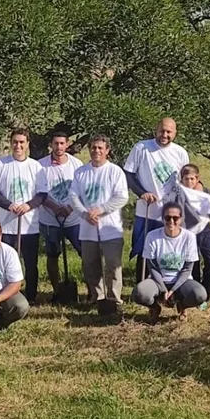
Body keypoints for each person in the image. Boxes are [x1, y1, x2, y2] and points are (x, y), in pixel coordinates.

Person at [124, 118, 190, 280]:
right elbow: (129, 174)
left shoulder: (180, 153)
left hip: (170, 213)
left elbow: (186, 180)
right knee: (143, 250)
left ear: (175, 133)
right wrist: (142, 193)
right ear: (156, 129)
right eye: (162, 130)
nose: (164, 135)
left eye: (169, 132)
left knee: (167, 249)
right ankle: (141, 286)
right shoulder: (142, 148)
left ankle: (165, 286)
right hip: (146, 210)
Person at [71, 134, 129, 316]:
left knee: (113, 265)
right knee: (90, 265)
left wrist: (101, 210)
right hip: (87, 228)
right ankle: (98, 299)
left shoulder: (114, 171)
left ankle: (115, 300)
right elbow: (73, 196)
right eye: (93, 147)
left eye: (100, 148)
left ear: (107, 151)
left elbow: (122, 197)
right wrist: (85, 213)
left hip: (110, 228)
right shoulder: (81, 172)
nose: (96, 151)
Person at [0, 128, 44, 302]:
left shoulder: (36, 167)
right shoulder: (1, 164)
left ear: (27, 144)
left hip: (29, 224)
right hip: (5, 224)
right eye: (15, 142)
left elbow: (42, 194)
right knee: (5, 261)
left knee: (30, 263)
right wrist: (9, 205)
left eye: (21, 142)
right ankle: (4, 295)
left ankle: (31, 296)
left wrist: (28, 205)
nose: (18, 145)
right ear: (11, 143)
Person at [132, 203, 207, 323]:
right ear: (162, 219)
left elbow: (187, 269)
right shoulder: (152, 236)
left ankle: (182, 306)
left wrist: (173, 290)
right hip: (157, 280)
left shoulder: (190, 237)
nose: (171, 221)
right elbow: (152, 267)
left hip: (182, 281)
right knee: (139, 293)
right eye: (167, 218)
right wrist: (163, 289)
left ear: (181, 219)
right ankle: (154, 308)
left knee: (200, 295)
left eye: (175, 218)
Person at [161, 164, 210, 304]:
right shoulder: (178, 194)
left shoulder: (204, 192)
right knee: (192, 262)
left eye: (192, 179)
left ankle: (207, 291)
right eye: (186, 179)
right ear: (181, 180)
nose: (189, 182)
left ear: (197, 179)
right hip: (187, 232)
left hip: (204, 229)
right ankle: (195, 294)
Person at [35, 132, 83, 301]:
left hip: (74, 218)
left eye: (62, 143)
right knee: (52, 254)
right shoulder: (40, 166)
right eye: (56, 143)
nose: (59, 147)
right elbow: (39, 192)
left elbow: (82, 190)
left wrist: (70, 207)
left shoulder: (77, 165)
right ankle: (56, 291)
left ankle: (92, 290)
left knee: (83, 251)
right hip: (50, 218)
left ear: (67, 144)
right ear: (51, 145)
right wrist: (54, 207)